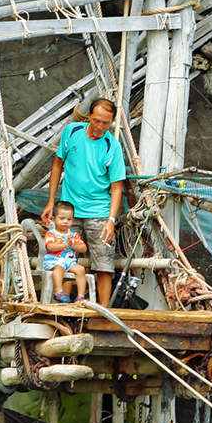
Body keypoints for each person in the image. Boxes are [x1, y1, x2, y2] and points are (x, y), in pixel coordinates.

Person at [42, 97, 125, 304]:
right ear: (89, 116)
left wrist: (111, 220)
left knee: (104, 262)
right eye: (96, 120)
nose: (100, 126)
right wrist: (51, 202)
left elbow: (117, 187)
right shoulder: (72, 132)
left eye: (106, 123)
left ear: (112, 122)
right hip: (69, 211)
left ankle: (103, 310)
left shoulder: (112, 147)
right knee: (64, 258)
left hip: (99, 211)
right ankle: (64, 306)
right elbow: (57, 165)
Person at [44, 201, 89, 302]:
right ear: (53, 219)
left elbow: (83, 248)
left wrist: (73, 245)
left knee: (81, 269)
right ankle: (58, 291)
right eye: (61, 218)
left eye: (69, 219)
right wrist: (64, 245)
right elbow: (50, 247)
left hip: (69, 262)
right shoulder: (51, 234)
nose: (65, 222)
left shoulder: (73, 235)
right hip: (54, 261)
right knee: (59, 268)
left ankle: (81, 296)